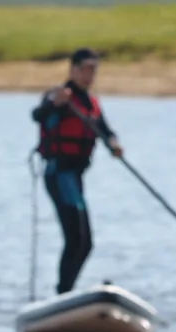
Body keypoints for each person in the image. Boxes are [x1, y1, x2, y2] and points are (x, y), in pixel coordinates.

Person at [32, 47, 123, 295]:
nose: (90, 75)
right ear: (73, 70)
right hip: (58, 175)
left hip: (75, 177)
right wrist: (53, 104)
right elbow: (38, 115)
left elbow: (105, 129)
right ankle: (63, 294)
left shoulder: (90, 102)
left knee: (85, 243)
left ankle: (65, 292)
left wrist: (113, 143)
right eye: (85, 69)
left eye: (94, 70)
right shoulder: (59, 96)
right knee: (77, 240)